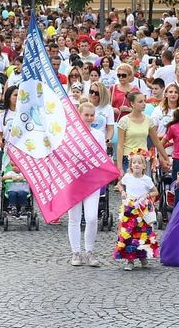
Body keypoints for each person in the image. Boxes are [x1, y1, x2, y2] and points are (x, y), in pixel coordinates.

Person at [68, 102, 104, 267]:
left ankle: (89, 251)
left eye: (91, 115)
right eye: (86, 115)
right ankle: (76, 252)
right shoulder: (70, 134)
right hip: (74, 181)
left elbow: (102, 156)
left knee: (91, 218)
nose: (89, 118)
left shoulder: (98, 134)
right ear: (79, 115)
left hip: (91, 181)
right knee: (74, 218)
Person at [114, 152, 159, 271]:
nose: (137, 165)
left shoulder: (147, 179)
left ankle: (142, 256)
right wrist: (122, 192)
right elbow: (119, 184)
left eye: (139, 163)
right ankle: (130, 260)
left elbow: (156, 191)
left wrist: (147, 195)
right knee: (129, 234)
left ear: (144, 166)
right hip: (130, 209)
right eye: (134, 163)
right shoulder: (127, 177)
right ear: (130, 165)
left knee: (143, 234)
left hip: (142, 210)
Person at [115, 92, 170, 176]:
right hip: (128, 159)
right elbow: (120, 146)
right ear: (132, 104)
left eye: (144, 101)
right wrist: (119, 168)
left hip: (144, 159)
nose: (144, 104)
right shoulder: (124, 121)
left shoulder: (148, 120)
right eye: (140, 102)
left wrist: (166, 158)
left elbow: (157, 142)